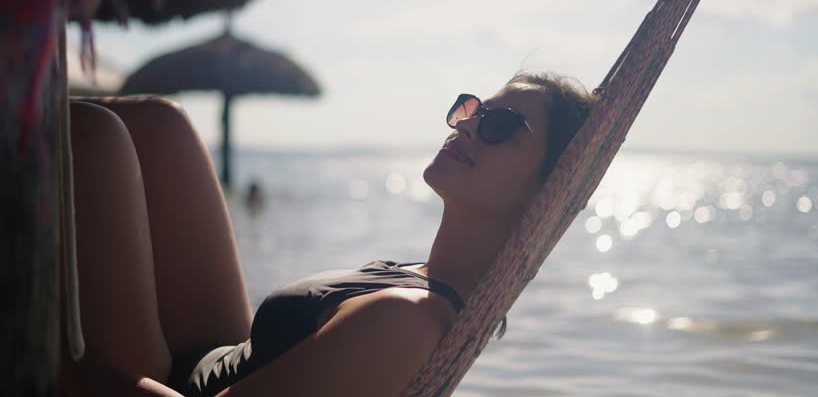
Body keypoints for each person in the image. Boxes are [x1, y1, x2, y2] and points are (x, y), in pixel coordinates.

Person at [61, 72, 596, 397]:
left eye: (502, 126)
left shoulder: (408, 321)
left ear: (545, 193)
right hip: (221, 355)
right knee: (161, 122)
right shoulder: (422, 280)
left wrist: (68, 373)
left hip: (167, 386)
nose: (470, 124)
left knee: (92, 134)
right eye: (475, 109)